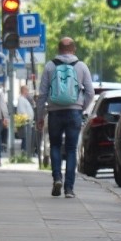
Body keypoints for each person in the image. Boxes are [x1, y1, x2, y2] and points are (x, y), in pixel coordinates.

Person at [36, 36, 95, 198]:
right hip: (74, 112)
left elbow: (42, 94)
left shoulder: (49, 66)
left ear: (58, 49)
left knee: (54, 146)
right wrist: (81, 107)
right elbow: (90, 92)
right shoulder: (81, 66)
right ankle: (69, 189)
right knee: (71, 149)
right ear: (73, 49)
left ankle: (57, 178)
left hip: (54, 112)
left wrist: (39, 117)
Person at [16, 85, 36, 157]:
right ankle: (24, 152)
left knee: (26, 138)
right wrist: (27, 119)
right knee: (25, 138)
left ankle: (25, 152)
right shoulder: (21, 99)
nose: (28, 92)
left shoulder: (24, 99)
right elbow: (22, 111)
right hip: (25, 122)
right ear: (24, 91)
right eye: (27, 90)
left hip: (27, 122)